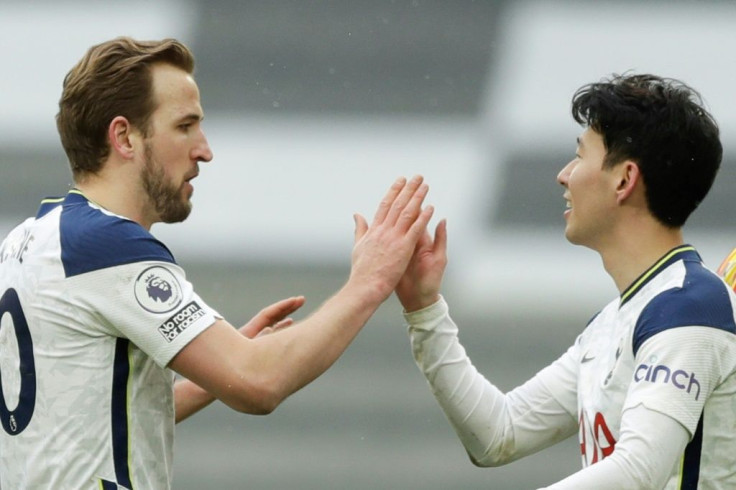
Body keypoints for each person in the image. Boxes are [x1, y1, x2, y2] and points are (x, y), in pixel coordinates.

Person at [0, 37, 434, 489]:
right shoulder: (105, 244)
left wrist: (210, 368)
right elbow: (258, 383)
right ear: (124, 136)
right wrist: (370, 281)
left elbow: (88, 417)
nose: (204, 150)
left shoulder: (28, 241)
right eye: (185, 126)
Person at [395, 74, 736, 488]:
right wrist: (424, 310)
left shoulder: (692, 307)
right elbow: (497, 434)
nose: (563, 175)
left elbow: (638, 471)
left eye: (579, 156)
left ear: (624, 180)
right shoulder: (617, 321)